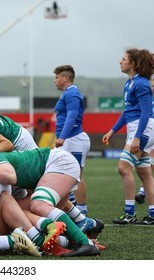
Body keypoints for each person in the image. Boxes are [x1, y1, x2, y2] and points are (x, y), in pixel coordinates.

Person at [0, 148, 101, 257]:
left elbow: (10, 177)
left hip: (58, 162)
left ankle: (85, 242)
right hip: (55, 165)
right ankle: (78, 240)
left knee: (38, 205)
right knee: (19, 213)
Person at [102, 48, 154, 225]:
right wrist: (112, 131)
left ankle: (129, 213)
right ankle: (153, 214)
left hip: (143, 129)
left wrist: (138, 137)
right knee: (144, 173)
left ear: (133, 64)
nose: (120, 62)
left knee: (123, 168)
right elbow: (128, 111)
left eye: (123, 59)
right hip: (137, 128)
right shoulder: (129, 83)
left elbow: (146, 113)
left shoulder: (141, 83)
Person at [53, 65, 91, 215]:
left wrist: (62, 137)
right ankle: (72, 205)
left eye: (57, 78)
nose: (55, 81)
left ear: (65, 78)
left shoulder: (72, 94)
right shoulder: (68, 93)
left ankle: (82, 211)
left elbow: (72, 116)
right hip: (68, 140)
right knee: (62, 174)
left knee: (77, 176)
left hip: (74, 139)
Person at [135, 77, 154, 204]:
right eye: (152, 85)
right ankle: (143, 189)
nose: (152, 87)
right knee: (149, 157)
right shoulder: (149, 99)